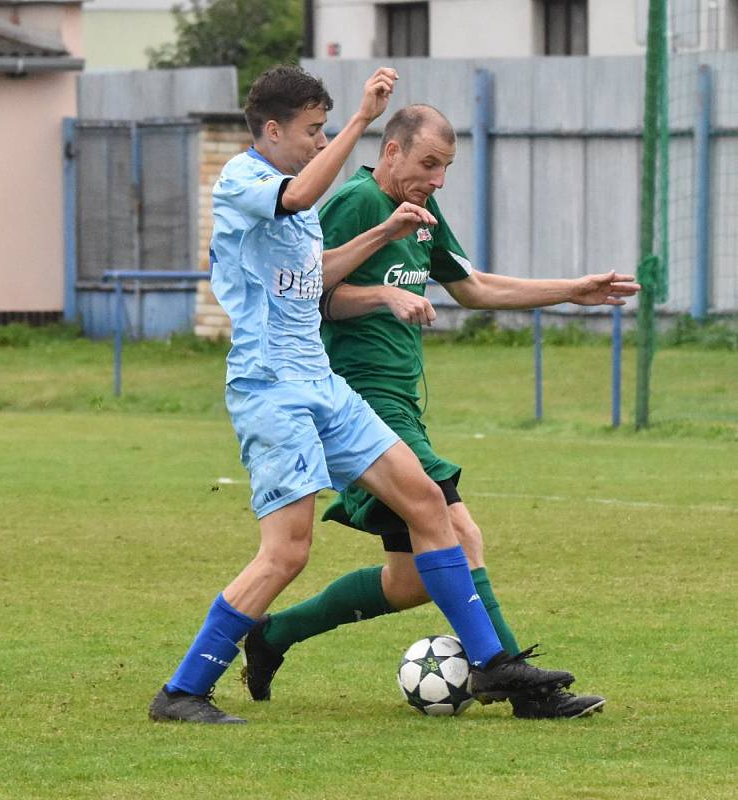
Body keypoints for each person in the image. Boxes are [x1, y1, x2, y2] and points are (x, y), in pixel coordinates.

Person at [148, 71, 579, 725]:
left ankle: (494, 662)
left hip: (323, 383)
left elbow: (312, 278)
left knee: (428, 504)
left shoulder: (297, 208)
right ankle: (182, 690)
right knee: (286, 552)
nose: (320, 140)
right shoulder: (243, 180)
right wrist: (359, 121)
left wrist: (386, 232)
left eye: (325, 128)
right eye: (311, 130)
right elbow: (296, 196)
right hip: (271, 390)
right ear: (272, 130)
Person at [242, 104, 640, 720]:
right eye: (430, 163)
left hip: (403, 405)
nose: (439, 179)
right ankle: (511, 677)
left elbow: (472, 286)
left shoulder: (422, 216)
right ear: (393, 152)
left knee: (412, 580)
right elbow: (309, 292)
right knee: (460, 529)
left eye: (447, 167)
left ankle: (274, 634)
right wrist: (383, 295)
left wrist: (571, 290)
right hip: (360, 401)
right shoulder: (355, 202)